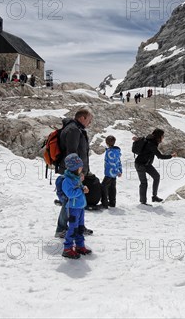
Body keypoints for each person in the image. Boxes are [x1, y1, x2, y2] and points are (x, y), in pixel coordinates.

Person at [54, 108, 94, 238]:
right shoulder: (73, 130)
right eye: (89, 119)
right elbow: (72, 152)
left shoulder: (76, 129)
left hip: (75, 170)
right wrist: (77, 172)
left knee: (76, 200)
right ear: (82, 118)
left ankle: (77, 226)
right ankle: (61, 229)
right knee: (69, 201)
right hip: (72, 171)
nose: (90, 122)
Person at [60, 153, 93, 259]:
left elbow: (80, 186)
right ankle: (67, 248)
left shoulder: (76, 178)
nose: (81, 169)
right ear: (74, 169)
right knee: (73, 228)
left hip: (80, 207)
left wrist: (84, 187)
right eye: (80, 167)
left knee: (80, 227)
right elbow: (70, 193)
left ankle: (80, 245)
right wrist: (81, 190)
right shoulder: (67, 180)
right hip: (73, 208)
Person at [134, 128, 177, 204]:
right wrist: (171, 156)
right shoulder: (151, 144)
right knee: (144, 183)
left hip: (146, 164)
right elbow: (160, 156)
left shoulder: (151, 140)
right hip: (140, 164)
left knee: (156, 176)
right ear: (159, 136)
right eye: (162, 136)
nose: (163, 137)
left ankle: (154, 197)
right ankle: (143, 202)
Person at [101, 135, 122, 208]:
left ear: (107, 142)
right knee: (112, 187)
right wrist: (120, 170)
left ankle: (105, 203)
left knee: (104, 186)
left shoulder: (110, 152)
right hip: (114, 173)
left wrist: (117, 171)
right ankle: (112, 202)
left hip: (109, 172)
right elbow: (118, 161)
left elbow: (112, 163)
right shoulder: (117, 151)